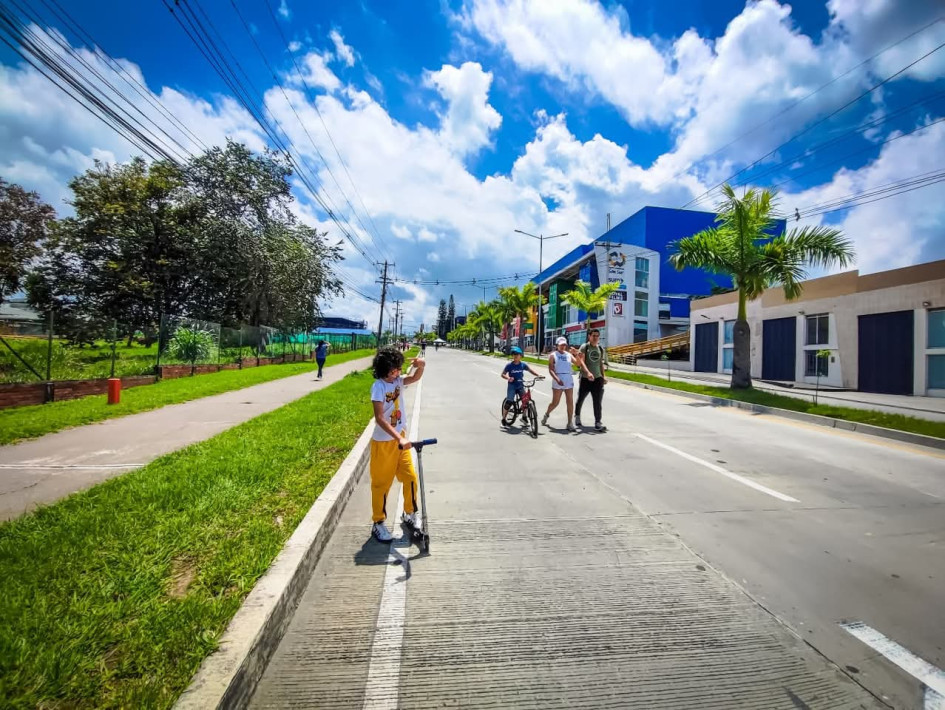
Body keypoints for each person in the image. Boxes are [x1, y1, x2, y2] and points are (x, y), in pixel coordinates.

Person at [369, 347, 425, 542]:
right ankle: (378, 523)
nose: (398, 373)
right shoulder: (379, 387)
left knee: (410, 477)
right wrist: (398, 437)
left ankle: (409, 513)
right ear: (385, 370)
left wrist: (421, 366)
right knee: (381, 484)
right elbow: (379, 418)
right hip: (384, 443)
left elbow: (415, 378)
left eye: (399, 369)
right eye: (395, 370)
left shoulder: (399, 382)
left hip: (400, 441)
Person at [542, 336, 592, 432]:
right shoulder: (553, 355)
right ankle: (547, 414)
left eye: (564, 344)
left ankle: (569, 423)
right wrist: (556, 379)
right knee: (555, 402)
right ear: (557, 345)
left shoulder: (568, 355)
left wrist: (576, 354)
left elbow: (578, 364)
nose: (563, 346)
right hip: (558, 379)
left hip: (568, 379)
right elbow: (551, 369)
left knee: (570, 401)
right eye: (561, 345)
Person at [575, 328, 608, 431]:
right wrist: (588, 373)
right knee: (581, 398)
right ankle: (577, 416)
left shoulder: (600, 349)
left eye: (597, 336)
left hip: (597, 379)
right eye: (593, 336)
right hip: (585, 379)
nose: (595, 338)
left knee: (597, 401)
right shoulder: (585, 347)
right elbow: (582, 362)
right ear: (589, 336)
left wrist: (604, 376)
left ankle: (598, 422)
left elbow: (600, 363)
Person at [500, 346, 543, 423]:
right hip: (512, 385)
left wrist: (538, 375)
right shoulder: (509, 365)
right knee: (509, 401)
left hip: (520, 385)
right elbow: (503, 374)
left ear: (521, 356)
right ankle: (503, 419)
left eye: (517, 354)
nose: (516, 356)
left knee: (525, 401)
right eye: (514, 354)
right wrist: (508, 378)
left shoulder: (523, 365)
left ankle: (524, 417)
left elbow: (530, 370)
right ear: (512, 356)